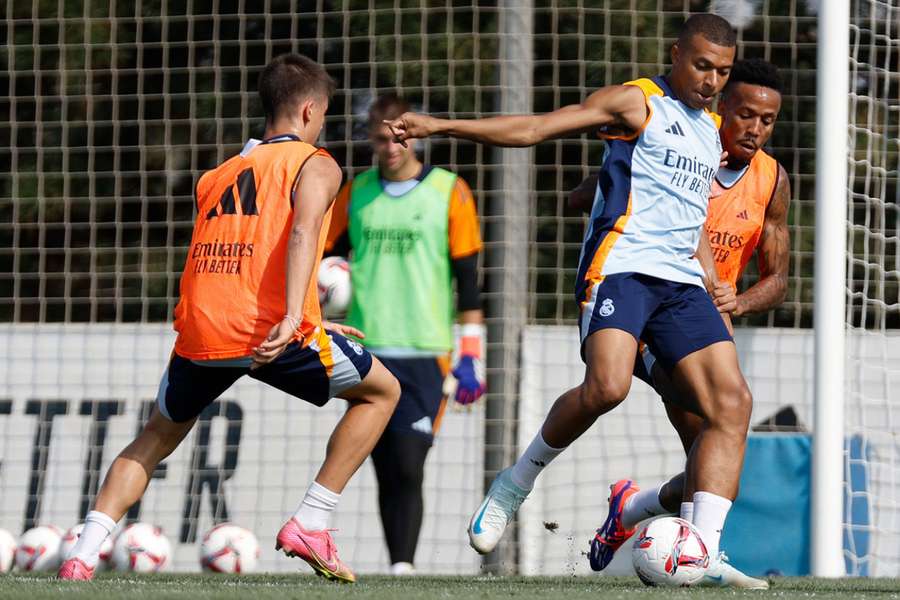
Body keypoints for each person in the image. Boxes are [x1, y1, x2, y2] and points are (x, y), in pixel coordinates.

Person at [387, 13, 761, 585]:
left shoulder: (711, 129)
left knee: (730, 405)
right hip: (622, 272)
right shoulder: (637, 102)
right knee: (607, 386)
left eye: (722, 72)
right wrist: (441, 125)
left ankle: (700, 551)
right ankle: (514, 484)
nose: (711, 80)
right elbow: (538, 128)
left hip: (682, 285)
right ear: (676, 53)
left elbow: (690, 222)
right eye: (702, 66)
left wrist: (712, 279)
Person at [58, 54, 401, 583]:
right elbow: (304, 233)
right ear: (310, 109)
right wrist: (294, 319)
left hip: (202, 330)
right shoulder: (317, 163)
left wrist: (310, 317)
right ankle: (312, 520)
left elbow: (245, 252)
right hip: (268, 333)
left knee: (153, 437)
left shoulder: (217, 174)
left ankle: (82, 553)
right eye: (325, 113)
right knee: (383, 392)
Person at [587, 58, 789, 584]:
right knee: (708, 428)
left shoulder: (771, 180)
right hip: (650, 305)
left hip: (702, 318)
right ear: (721, 106)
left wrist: (738, 301)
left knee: (713, 452)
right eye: (745, 114)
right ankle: (701, 556)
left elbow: (779, 279)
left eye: (768, 120)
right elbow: (602, 189)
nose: (756, 128)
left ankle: (639, 511)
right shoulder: (677, 146)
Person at [324, 93, 486, 575]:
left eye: (399, 137)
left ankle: (403, 566)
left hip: (426, 351)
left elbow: (470, 282)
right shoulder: (357, 194)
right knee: (378, 461)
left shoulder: (449, 191)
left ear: (413, 136)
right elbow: (322, 260)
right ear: (371, 140)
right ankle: (401, 567)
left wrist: (470, 355)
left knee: (409, 461)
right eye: (380, 138)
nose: (391, 147)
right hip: (366, 347)